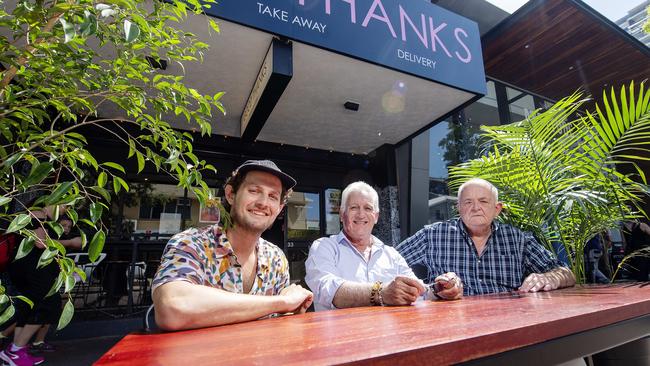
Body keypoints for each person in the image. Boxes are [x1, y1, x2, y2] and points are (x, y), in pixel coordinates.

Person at [152, 160, 313, 331]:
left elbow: (279, 323)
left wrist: (293, 311)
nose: (263, 202)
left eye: (272, 196)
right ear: (230, 194)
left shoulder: (276, 259)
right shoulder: (192, 243)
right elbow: (171, 308)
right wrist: (282, 302)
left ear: (279, 208)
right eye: (254, 191)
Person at [397, 178, 575, 295]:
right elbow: (387, 264)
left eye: (483, 201)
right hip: (452, 322)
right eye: (468, 202)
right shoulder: (433, 235)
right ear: (458, 208)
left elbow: (565, 272)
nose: (475, 208)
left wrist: (548, 278)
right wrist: (426, 290)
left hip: (508, 320)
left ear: (497, 209)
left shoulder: (519, 240)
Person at [305, 182, 462, 311]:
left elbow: (417, 291)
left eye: (368, 208)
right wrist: (381, 293)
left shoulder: (391, 254)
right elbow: (329, 291)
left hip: (385, 341)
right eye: (354, 207)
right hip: (341, 343)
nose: (361, 214)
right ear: (341, 214)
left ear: (376, 216)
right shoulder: (323, 248)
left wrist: (440, 290)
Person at [1, 207, 82, 366]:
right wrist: (70, 243)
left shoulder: (44, 216)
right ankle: (15, 351)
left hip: (31, 271)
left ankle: (15, 352)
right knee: (47, 307)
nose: (69, 208)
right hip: (32, 272)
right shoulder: (39, 214)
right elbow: (39, 243)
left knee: (28, 309)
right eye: (67, 203)